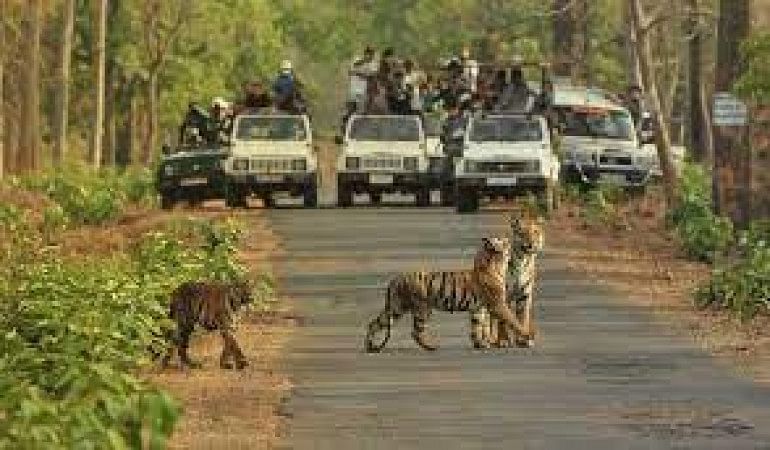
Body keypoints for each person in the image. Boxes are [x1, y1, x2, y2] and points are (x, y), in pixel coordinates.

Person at [349, 46, 379, 112]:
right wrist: (363, 62)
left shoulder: (374, 64)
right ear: (365, 53)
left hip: (365, 91)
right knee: (352, 108)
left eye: (371, 54)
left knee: (363, 109)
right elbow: (351, 70)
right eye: (367, 53)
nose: (369, 56)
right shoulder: (357, 60)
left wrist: (359, 73)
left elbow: (372, 75)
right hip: (354, 89)